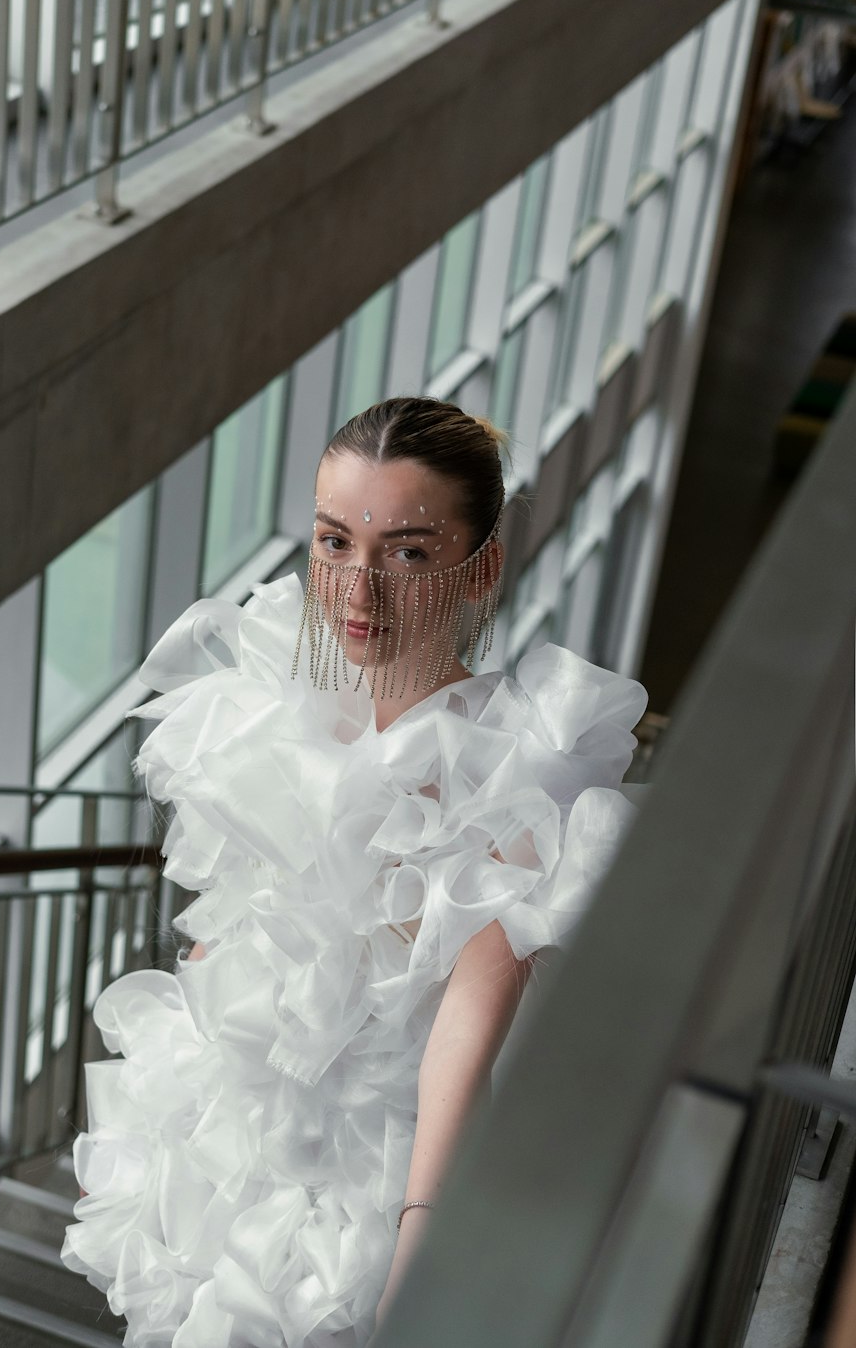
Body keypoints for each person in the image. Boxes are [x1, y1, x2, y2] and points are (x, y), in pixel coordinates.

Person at [61, 396, 648, 1347]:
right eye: (336, 543)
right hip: (242, 1149)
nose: (359, 588)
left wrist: (421, 1231)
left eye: (408, 551)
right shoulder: (270, 717)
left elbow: (473, 1014)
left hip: (382, 1171)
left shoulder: (520, 758)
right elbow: (228, 937)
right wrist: (160, 1119)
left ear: (482, 565)